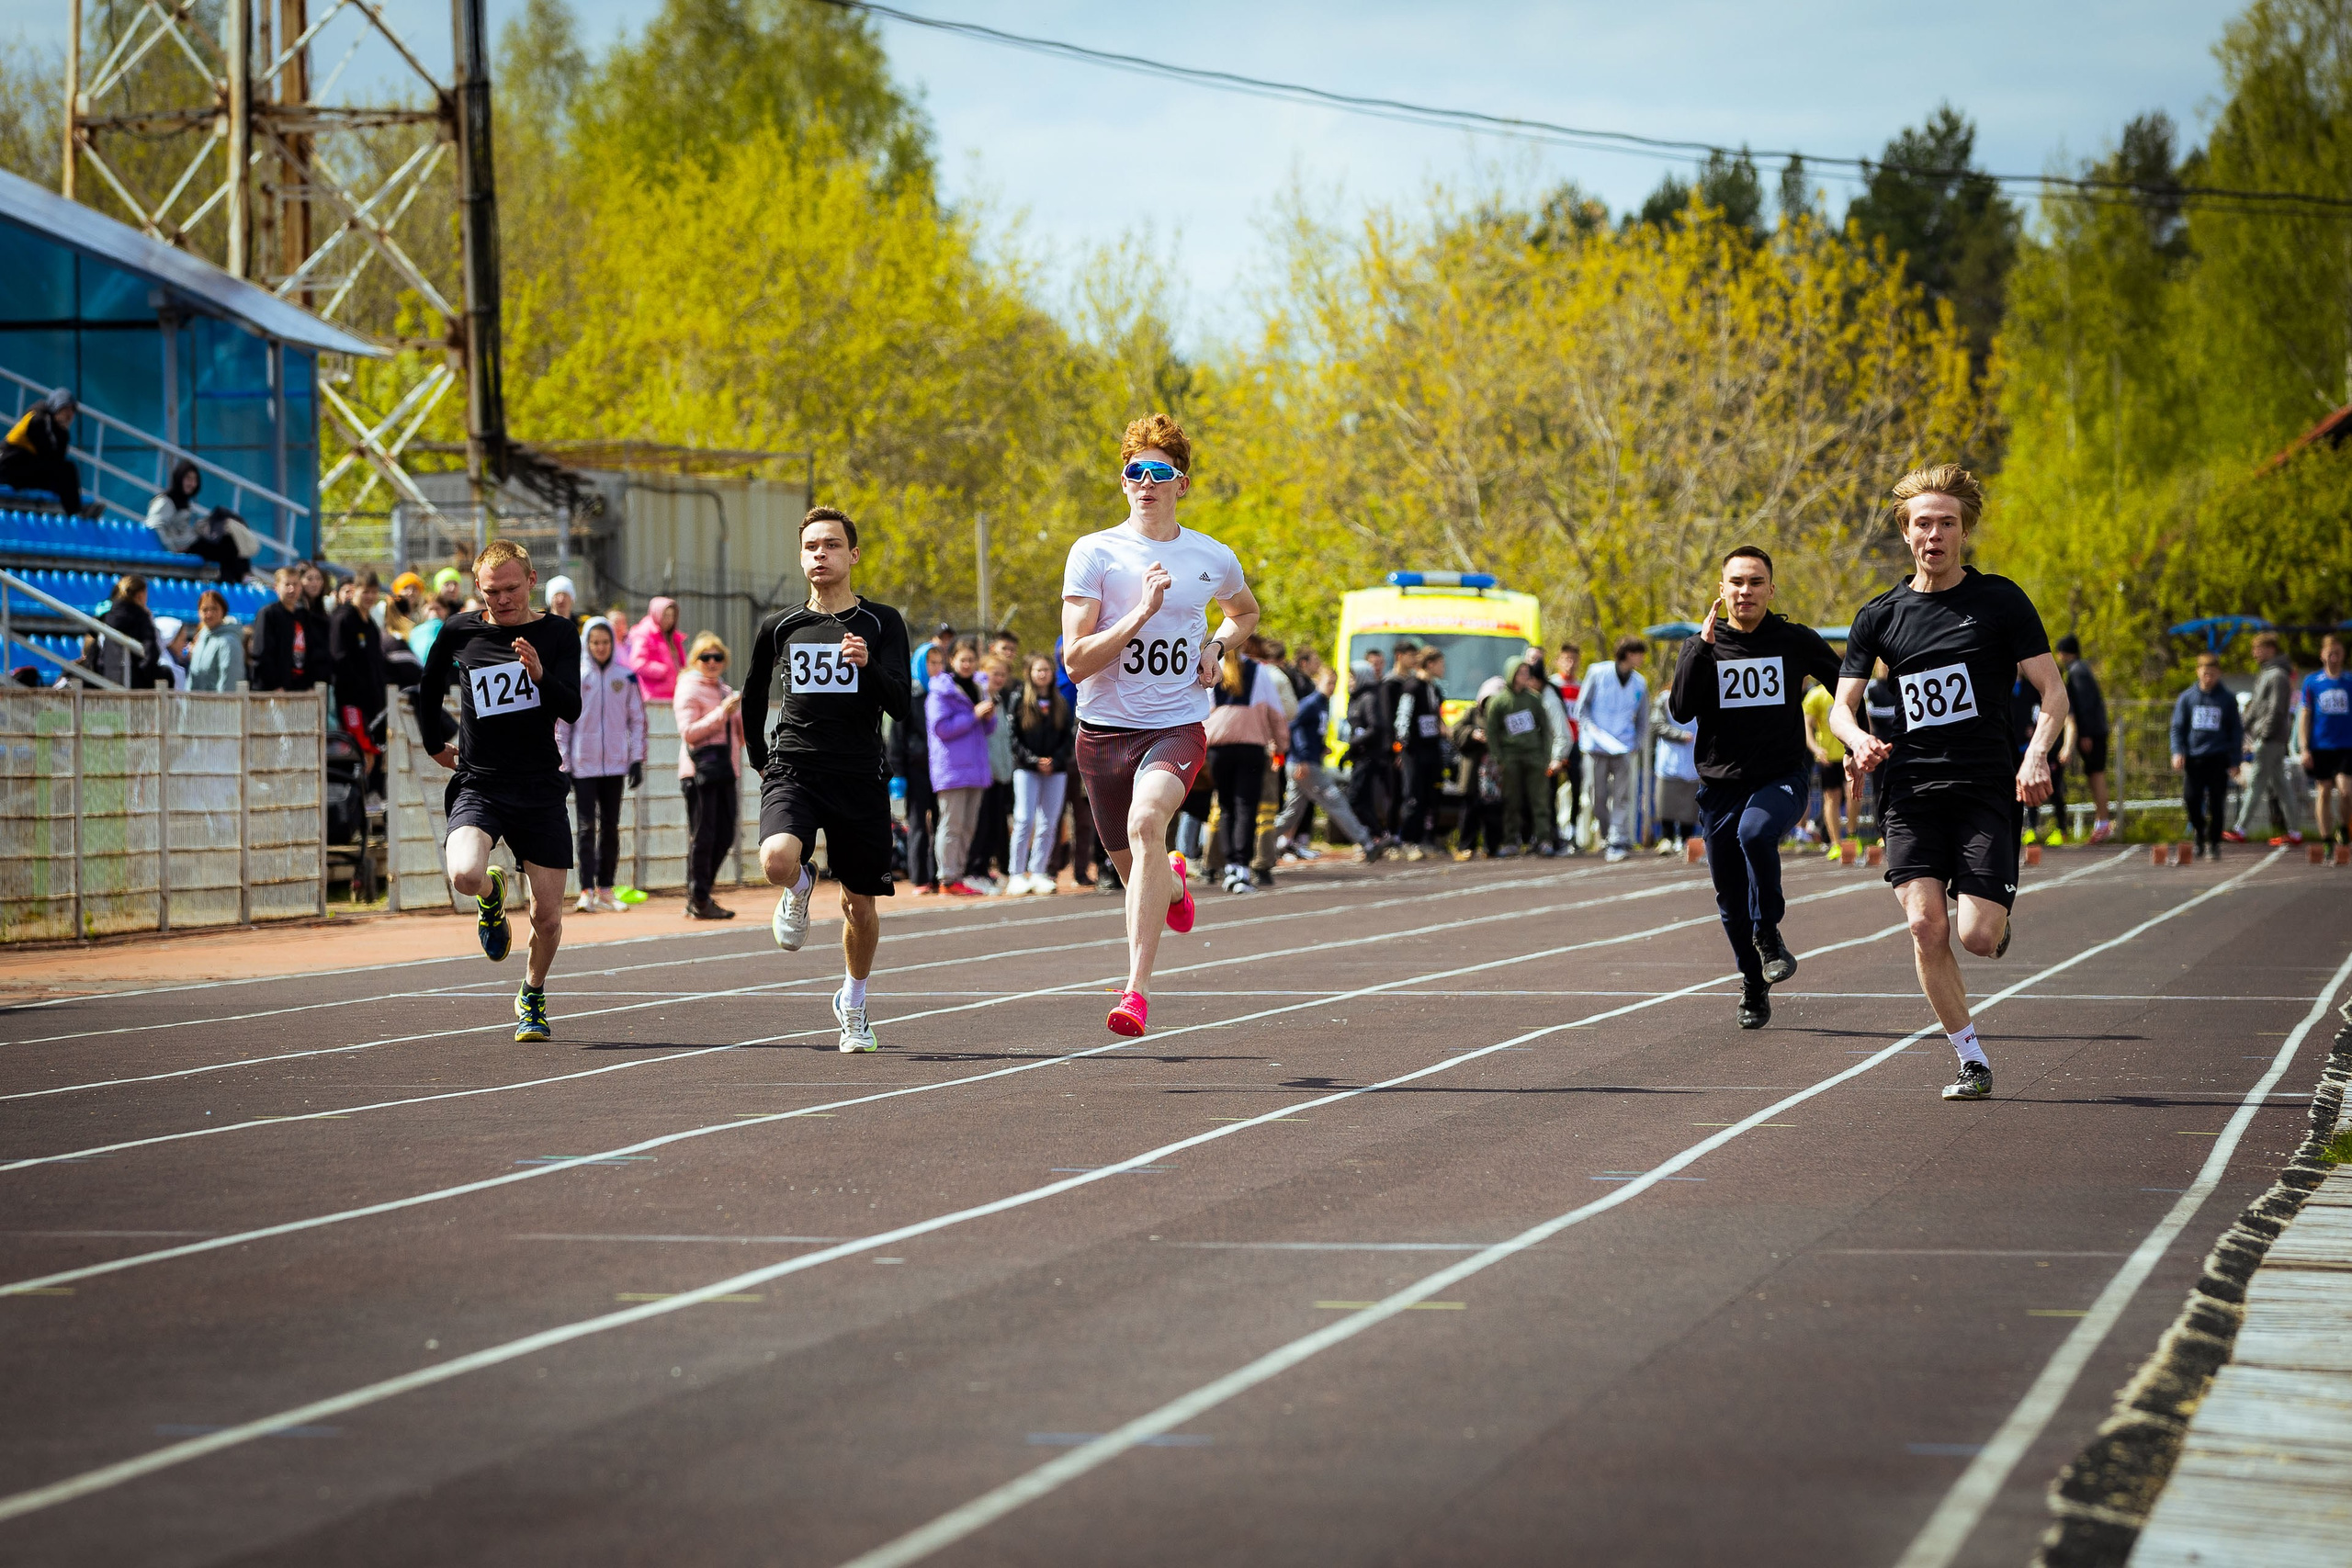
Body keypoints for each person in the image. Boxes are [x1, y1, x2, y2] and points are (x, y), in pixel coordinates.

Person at [1830, 464, 2066, 1101]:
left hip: (1987, 787)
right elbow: (1839, 706)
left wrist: (2036, 755)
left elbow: (2052, 692)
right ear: (1906, 533)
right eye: (1922, 523)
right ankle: (1971, 1059)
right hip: (1910, 792)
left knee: (1977, 936)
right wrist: (1857, 742)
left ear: (1964, 533)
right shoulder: (1879, 616)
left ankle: (1996, 919)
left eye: (1947, 523)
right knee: (1925, 926)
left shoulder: (2000, 601)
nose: (1934, 534)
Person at [1061, 412, 1260, 1036]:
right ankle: (1173, 887)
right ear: (1123, 482)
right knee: (1135, 869)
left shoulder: (1211, 556)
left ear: (1182, 483)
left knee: (1148, 823)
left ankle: (1135, 992)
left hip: (1176, 723)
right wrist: (1141, 612)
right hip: (1102, 731)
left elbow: (1245, 610)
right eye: (1134, 471)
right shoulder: (1094, 552)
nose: (1145, 482)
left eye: (1159, 472)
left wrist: (1218, 646)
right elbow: (1074, 659)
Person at [741, 508, 914, 1051]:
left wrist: (870, 667)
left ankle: (853, 1002)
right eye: (812, 546)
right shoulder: (781, 626)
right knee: (775, 859)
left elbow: (902, 704)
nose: (821, 554)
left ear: (853, 555)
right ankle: (798, 885)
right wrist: (758, 757)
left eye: (832, 545)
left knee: (860, 906)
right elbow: (750, 694)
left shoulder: (882, 623)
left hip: (860, 774)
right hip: (795, 765)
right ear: (801, 556)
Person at [411, 539, 582, 1043]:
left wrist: (540, 675)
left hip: (539, 788)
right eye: (490, 592)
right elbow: (426, 684)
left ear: (531, 582)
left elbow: (571, 709)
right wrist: (432, 742)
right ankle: (491, 893)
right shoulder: (461, 629)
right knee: (464, 873)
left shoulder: (556, 633)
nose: (501, 601)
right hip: (480, 782)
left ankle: (532, 992)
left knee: (547, 917)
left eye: (510, 589)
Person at [1668, 547, 1843, 1029]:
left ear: (1770, 589)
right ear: (1722, 590)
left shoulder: (1794, 640)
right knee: (1728, 899)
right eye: (1737, 583)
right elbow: (1681, 710)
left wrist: (1857, 740)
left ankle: (1768, 931)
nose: (1746, 591)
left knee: (1756, 833)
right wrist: (1701, 649)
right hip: (1720, 787)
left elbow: (1843, 683)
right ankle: (1752, 982)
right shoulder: (1700, 646)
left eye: (1756, 582)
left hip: (1780, 778)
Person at [559, 616, 646, 913]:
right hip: (584, 765)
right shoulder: (576, 676)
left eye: (605, 642)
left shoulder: (627, 677)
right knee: (585, 828)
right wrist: (565, 763)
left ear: (612, 643)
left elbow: (637, 720)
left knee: (610, 827)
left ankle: (606, 889)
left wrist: (636, 760)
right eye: (595, 642)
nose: (600, 647)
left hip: (616, 766)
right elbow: (564, 724)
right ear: (587, 643)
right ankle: (586, 890)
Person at [1272, 660, 1378, 861]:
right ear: (1318, 681)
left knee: (1292, 813)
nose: (1333, 687)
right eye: (1329, 682)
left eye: (1335, 683)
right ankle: (1366, 842)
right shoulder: (1311, 703)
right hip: (1304, 765)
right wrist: (1302, 755)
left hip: (1308, 762)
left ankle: (1258, 842)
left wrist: (1321, 747)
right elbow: (1292, 726)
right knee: (1336, 800)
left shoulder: (1323, 704)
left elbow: (1311, 731)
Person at [1204, 639, 1287, 892]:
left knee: (1226, 807)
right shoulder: (1259, 671)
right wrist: (1281, 746)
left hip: (1218, 749)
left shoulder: (1210, 669)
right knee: (1246, 807)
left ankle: (1229, 865)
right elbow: (1276, 712)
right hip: (1250, 748)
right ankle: (1241, 867)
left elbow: (1199, 710)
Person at [673, 631, 744, 920]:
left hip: (726, 771)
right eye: (706, 657)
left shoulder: (725, 690)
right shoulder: (688, 687)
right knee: (704, 836)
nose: (712, 662)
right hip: (699, 773)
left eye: (717, 657)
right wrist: (721, 713)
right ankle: (699, 898)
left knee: (725, 835)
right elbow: (689, 732)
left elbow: (739, 735)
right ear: (695, 660)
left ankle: (701, 893)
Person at [927, 638, 997, 897]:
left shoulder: (980, 686)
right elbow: (941, 728)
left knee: (968, 826)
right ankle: (947, 877)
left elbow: (988, 728)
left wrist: (989, 717)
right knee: (952, 825)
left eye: (971, 659)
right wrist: (974, 715)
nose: (967, 664)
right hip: (952, 769)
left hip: (976, 767)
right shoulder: (941, 691)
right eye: (962, 659)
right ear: (952, 661)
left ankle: (959, 874)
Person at [1006, 651, 1077, 896]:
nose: (1043, 674)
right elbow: (1014, 737)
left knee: (1049, 821)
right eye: (1038, 670)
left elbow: (1068, 737)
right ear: (1030, 673)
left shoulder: (1060, 702)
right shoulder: (1019, 700)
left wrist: (1054, 760)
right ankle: (1016, 873)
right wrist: (1034, 760)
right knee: (1025, 819)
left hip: (1055, 770)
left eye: (1047, 670)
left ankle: (1038, 871)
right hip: (1026, 770)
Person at [1576, 637, 1650, 861]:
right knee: (1596, 796)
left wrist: (1637, 743)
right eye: (1639, 653)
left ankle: (1617, 839)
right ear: (1628, 653)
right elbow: (1582, 708)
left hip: (1624, 747)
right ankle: (1609, 832)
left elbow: (1643, 719)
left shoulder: (1640, 683)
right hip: (1596, 746)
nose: (1642, 658)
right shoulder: (1597, 673)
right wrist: (1591, 730)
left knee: (1622, 796)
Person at [2230, 631, 2302, 845]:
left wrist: (2262, 735)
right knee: (2281, 785)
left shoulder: (2277, 675)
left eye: (2257, 649)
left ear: (2270, 649)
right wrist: (2240, 728)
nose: (2254, 653)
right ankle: (2295, 832)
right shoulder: (2267, 674)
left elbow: (2276, 710)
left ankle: (2239, 828)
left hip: (2270, 740)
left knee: (2256, 783)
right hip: (2269, 738)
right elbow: (2256, 708)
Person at [2170, 651, 2243, 860]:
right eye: (2205, 673)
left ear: (2218, 673)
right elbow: (2177, 728)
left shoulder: (2227, 699)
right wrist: (2177, 752)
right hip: (2194, 758)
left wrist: (2235, 759)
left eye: (2212, 673)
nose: (2208, 678)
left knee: (2217, 803)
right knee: (2191, 799)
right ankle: (2199, 833)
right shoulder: (2187, 698)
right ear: (2198, 672)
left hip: (2218, 758)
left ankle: (2214, 842)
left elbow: (2235, 731)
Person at [145, 459, 264, 584]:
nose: (192, 484)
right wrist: (173, 548)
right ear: (179, 478)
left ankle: (236, 579)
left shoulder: (184, 502)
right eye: (188, 479)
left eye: (195, 480)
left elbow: (182, 529)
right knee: (228, 547)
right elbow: (154, 525)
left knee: (229, 541)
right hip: (183, 547)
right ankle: (239, 578)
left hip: (190, 542)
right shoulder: (166, 501)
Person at [1484, 660, 1555, 855]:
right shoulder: (1499, 702)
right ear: (1511, 674)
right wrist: (1499, 759)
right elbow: (1491, 732)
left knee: (1540, 800)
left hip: (1534, 756)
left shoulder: (1534, 699)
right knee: (1511, 801)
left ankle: (1543, 839)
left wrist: (1545, 756)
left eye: (1527, 672)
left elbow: (1546, 729)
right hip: (1511, 757)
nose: (1525, 676)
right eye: (1521, 672)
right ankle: (1510, 841)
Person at [891, 645, 944, 892]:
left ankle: (938, 874)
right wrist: (898, 773)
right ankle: (920, 877)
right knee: (919, 823)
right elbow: (897, 736)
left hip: (942, 769)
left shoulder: (944, 693)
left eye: (939, 662)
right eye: (931, 663)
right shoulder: (910, 695)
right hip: (917, 770)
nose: (936, 668)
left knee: (942, 822)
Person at [2051, 636, 2112, 844]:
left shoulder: (2077, 671)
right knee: (2093, 774)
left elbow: (2084, 705)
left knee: (2096, 774)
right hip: (2094, 730)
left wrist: (2085, 733)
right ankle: (2101, 822)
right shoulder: (2079, 669)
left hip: (2092, 732)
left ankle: (2104, 823)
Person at [329, 570, 389, 778]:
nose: (370, 597)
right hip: (351, 701)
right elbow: (339, 659)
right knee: (359, 752)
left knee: (372, 754)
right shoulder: (343, 618)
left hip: (372, 703)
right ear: (356, 590)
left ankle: (366, 798)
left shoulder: (371, 624)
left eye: (374, 592)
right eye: (365, 592)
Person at [1393, 647, 1449, 857]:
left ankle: (1427, 839)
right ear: (1430, 664)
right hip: (1414, 751)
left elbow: (1437, 717)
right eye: (1441, 664)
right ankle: (1408, 840)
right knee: (1413, 796)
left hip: (1432, 749)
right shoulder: (1411, 687)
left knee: (1431, 795)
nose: (1444, 669)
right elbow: (1402, 719)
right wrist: (1402, 749)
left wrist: (1446, 732)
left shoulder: (1434, 689)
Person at [2298, 632, 2352, 847]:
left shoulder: (2349, 682)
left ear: (2343, 655)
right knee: (2324, 790)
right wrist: (2304, 748)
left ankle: (2343, 827)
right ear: (2322, 655)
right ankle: (2326, 838)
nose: (2334, 658)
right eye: (2330, 654)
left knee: (2346, 792)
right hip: (2320, 745)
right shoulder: (2312, 682)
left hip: (2346, 745)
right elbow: (2305, 714)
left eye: (2338, 654)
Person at [0, 389, 91, 516]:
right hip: (9, 468)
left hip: (27, 467)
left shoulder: (60, 432)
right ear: (56, 407)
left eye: (72, 411)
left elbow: (55, 458)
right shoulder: (39, 419)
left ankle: (73, 508)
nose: (70, 415)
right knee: (66, 470)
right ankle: (75, 510)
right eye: (66, 409)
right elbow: (49, 457)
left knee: (66, 470)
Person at [249, 565, 326, 692]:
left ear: (300, 587)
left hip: (299, 688)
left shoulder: (304, 616)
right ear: (276, 588)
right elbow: (261, 653)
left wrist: (310, 684)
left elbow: (312, 653)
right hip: (274, 690)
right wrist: (274, 685)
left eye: (295, 584)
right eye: (287, 585)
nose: (292, 589)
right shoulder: (268, 614)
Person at [1802, 675, 1846, 856]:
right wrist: (1816, 749)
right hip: (1828, 755)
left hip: (1849, 752)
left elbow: (1864, 719)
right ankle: (1836, 842)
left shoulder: (1848, 691)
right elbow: (1807, 726)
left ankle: (1851, 835)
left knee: (1852, 795)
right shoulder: (1816, 695)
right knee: (1831, 797)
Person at [99, 575, 163, 689]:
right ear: (140, 595)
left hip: (109, 677)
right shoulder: (141, 617)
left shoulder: (109, 616)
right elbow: (151, 651)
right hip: (134, 683)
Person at [1551, 640, 1584, 849]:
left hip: (1576, 744)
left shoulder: (1582, 686)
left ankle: (1572, 829)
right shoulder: (1553, 686)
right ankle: (1554, 830)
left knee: (1577, 787)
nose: (1570, 664)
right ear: (1558, 661)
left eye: (1574, 660)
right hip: (1556, 744)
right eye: (1566, 659)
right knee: (1551, 788)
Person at [624, 596, 686, 702]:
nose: (670, 620)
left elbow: (681, 662)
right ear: (657, 614)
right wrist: (663, 670)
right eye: (666, 616)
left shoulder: (672, 636)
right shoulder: (644, 633)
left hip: (675, 693)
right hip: (653, 696)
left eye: (672, 616)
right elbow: (637, 663)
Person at [187, 589, 244, 693]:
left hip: (217, 705)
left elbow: (229, 681)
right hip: (196, 705)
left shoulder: (228, 641)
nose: (209, 614)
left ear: (223, 611)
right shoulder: (201, 639)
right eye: (204, 610)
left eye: (214, 609)